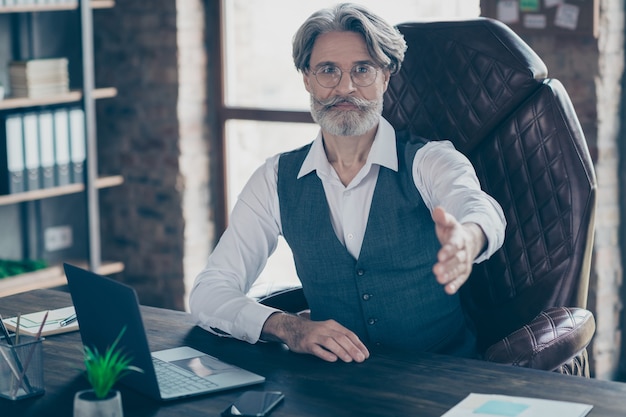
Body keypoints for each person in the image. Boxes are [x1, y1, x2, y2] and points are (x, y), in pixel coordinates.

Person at [190, 3, 505, 364]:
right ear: (307, 79)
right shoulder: (275, 179)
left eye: (362, 69)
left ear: (386, 77)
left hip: (441, 376)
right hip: (333, 385)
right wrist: (289, 327)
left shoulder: (429, 161)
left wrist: (468, 238)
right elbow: (208, 292)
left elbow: (479, 207)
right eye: (328, 70)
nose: (345, 87)